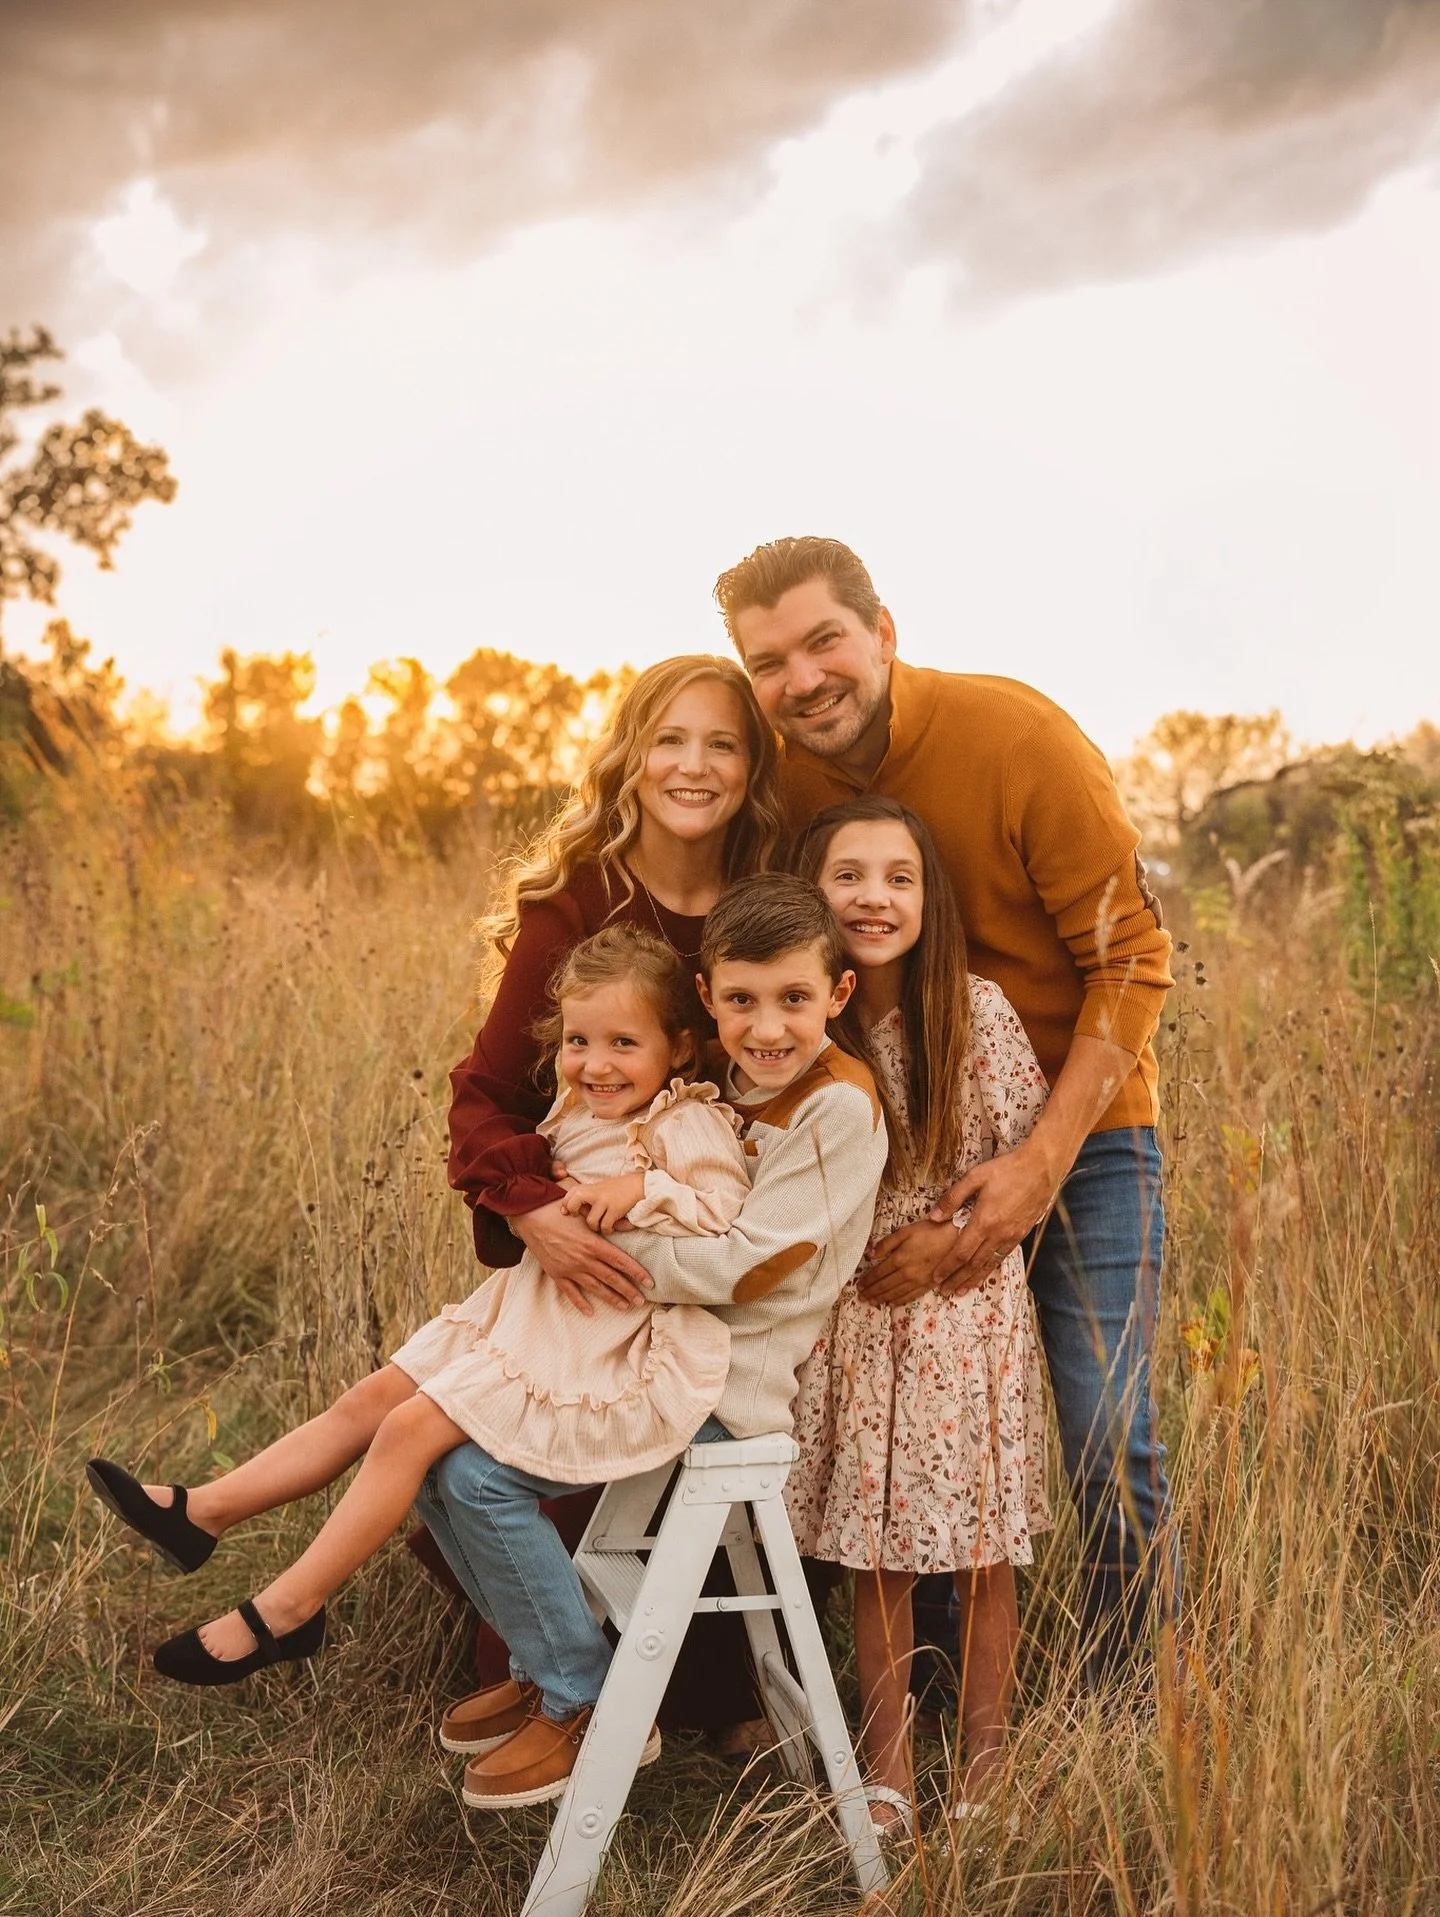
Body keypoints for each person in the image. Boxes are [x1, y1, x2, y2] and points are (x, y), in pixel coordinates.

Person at [714, 536, 1176, 1682]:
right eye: (769, 662)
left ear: (883, 632)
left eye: (824, 641)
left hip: (1084, 1131)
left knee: (1107, 1428)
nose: (803, 679)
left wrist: (1037, 1168)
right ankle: (910, 1688)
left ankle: (1137, 1702)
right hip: (888, 1151)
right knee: (876, 1416)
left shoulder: (1018, 739)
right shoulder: (782, 787)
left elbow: (1135, 959)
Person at [85, 925, 750, 1693]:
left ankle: (292, 1607)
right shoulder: (576, 1109)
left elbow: (725, 1209)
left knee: (407, 1431)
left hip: (596, 1337)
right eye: (578, 1041)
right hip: (525, 1317)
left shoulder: (686, 1120)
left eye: (623, 1043)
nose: (595, 1064)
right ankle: (201, 1512)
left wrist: (636, 1189)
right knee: (372, 1399)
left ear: (681, 1049)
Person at [412, 872, 888, 1808]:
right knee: (434, 1460)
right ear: (708, 1003)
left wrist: (600, 1246)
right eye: (743, 1001)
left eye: (794, 1000)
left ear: (837, 995)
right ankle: (553, 1667)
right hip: (656, 1354)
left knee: (479, 1477)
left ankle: (585, 1697)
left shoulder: (835, 1107)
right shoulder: (733, 1089)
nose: (768, 1027)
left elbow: (753, 1265)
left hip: (725, 1382)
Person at [442, 652, 785, 1745]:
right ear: (630, 756)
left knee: (696, 1444)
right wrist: (533, 1208)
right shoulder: (574, 907)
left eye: (722, 743)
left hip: (717, 1233)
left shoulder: (768, 904)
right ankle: (566, 1688)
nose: (693, 765)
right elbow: (485, 1096)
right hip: (584, 1247)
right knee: (495, 1452)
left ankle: (701, 1698)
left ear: (753, 767)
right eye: (670, 739)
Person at [785, 796, 1051, 1831]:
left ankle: (986, 1765)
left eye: (900, 877)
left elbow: (1021, 1166)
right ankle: (885, 1769)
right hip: (858, 1317)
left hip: (967, 1308)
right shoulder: (809, 1022)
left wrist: (950, 1242)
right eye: (848, 874)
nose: (874, 896)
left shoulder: (971, 1011)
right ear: (812, 892)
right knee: (877, 1551)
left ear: (930, 898)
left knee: (985, 1551)